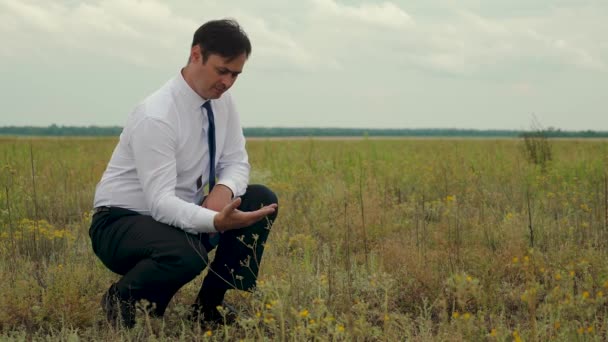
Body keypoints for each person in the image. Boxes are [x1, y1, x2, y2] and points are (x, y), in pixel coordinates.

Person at [89, 19, 278, 328]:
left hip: (178, 217)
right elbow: (160, 203)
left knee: (261, 199)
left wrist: (224, 190)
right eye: (222, 71)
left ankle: (207, 309)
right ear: (195, 55)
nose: (228, 82)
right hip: (121, 223)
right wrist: (215, 221)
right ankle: (123, 298)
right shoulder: (157, 114)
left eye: (236, 74)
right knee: (187, 255)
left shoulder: (223, 103)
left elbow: (236, 161)